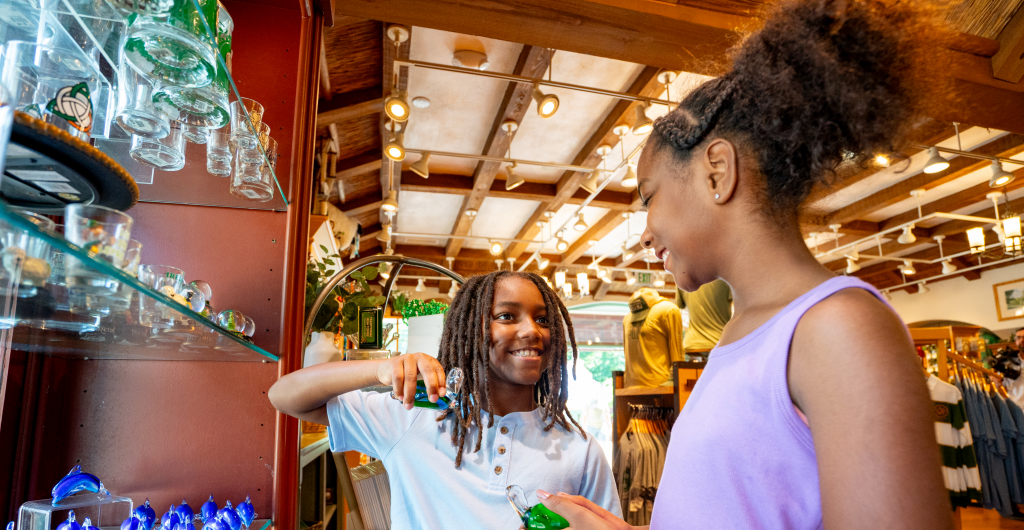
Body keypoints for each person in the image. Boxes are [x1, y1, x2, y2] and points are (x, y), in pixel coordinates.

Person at [535, 0, 954, 528]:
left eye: (649, 197)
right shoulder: (742, 334)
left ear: (716, 171)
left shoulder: (839, 329)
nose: (645, 233)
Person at [268, 270, 621, 529]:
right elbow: (285, 395)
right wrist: (380, 370)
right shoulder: (413, 418)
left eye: (543, 319)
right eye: (506, 316)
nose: (532, 330)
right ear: (469, 331)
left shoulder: (580, 450)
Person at [1001, 328, 1024, 408]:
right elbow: (1001, 385)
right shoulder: (1008, 363)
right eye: (1018, 338)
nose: (1022, 340)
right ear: (1016, 341)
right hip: (1014, 409)